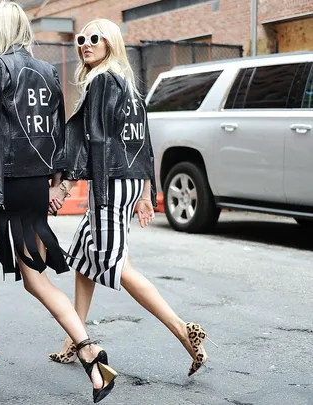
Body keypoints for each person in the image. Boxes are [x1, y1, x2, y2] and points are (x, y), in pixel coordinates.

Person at [0, 3, 116, 402]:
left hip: (0, 185)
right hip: (35, 184)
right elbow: (57, 130)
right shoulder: (48, 70)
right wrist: (55, 182)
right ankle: (90, 353)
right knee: (36, 276)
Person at [48, 18, 216, 377]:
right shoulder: (126, 83)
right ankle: (73, 339)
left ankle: (184, 332)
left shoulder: (103, 82)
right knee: (83, 257)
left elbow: (94, 141)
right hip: (123, 183)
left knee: (115, 263)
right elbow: (141, 143)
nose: (85, 44)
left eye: (95, 38)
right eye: (81, 39)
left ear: (111, 43)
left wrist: (64, 185)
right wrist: (143, 191)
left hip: (109, 184)